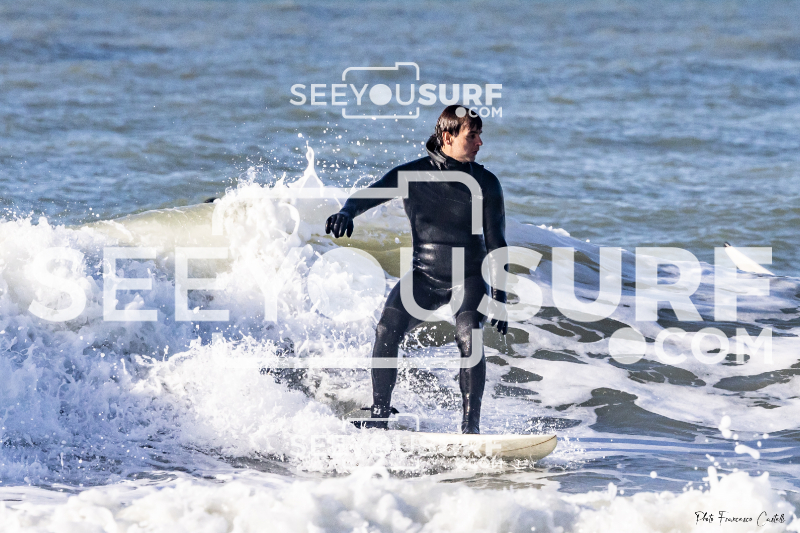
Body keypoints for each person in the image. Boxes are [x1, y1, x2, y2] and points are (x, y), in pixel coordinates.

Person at [325, 105, 508, 434]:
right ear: (448, 137)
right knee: (386, 330)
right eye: (472, 136)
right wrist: (347, 212)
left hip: (468, 277)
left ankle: (470, 428)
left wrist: (499, 295)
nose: (480, 143)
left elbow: (496, 242)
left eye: (480, 135)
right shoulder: (411, 176)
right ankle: (379, 414)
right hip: (424, 277)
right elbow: (370, 194)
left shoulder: (486, 183)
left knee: (469, 334)